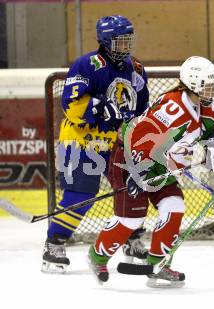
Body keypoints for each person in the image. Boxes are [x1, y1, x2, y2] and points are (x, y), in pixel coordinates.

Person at [87, 56, 214, 287]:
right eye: (207, 86)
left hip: (162, 165)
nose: (212, 90)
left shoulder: (209, 107)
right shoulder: (173, 108)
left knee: (174, 207)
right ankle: (97, 257)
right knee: (131, 220)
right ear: (192, 84)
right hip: (130, 159)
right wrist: (137, 172)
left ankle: (159, 265)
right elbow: (140, 137)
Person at [41, 15, 150, 273]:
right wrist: (99, 107)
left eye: (128, 41)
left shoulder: (135, 67)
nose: (126, 47)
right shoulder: (87, 64)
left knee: (131, 190)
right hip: (81, 141)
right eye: (120, 42)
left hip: (116, 143)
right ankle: (54, 243)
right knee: (80, 196)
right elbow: (71, 104)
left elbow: (142, 107)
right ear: (105, 41)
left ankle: (131, 239)